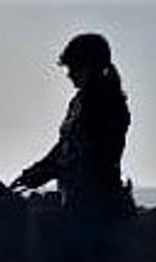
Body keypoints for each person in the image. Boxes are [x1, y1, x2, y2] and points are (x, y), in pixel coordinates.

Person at [10, 32, 135, 222]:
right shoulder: (78, 102)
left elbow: (86, 155)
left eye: (74, 67)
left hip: (97, 205)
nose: (69, 74)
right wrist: (32, 173)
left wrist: (44, 173)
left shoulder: (109, 103)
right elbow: (63, 147)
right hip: (75, 199)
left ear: (90, 67)